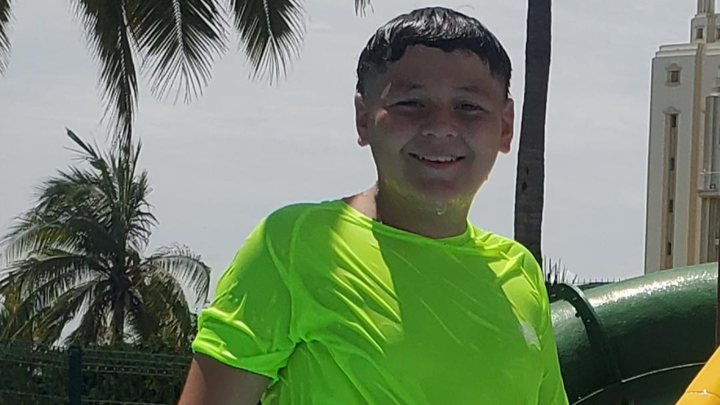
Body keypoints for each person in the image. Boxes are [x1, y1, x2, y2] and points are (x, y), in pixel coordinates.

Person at [177, 6, 569, 405]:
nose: (440, 126)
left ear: (505, 126)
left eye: (468, 107)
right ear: (363, 119)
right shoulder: (292, 246)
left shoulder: (519, 271)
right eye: (411, 103)